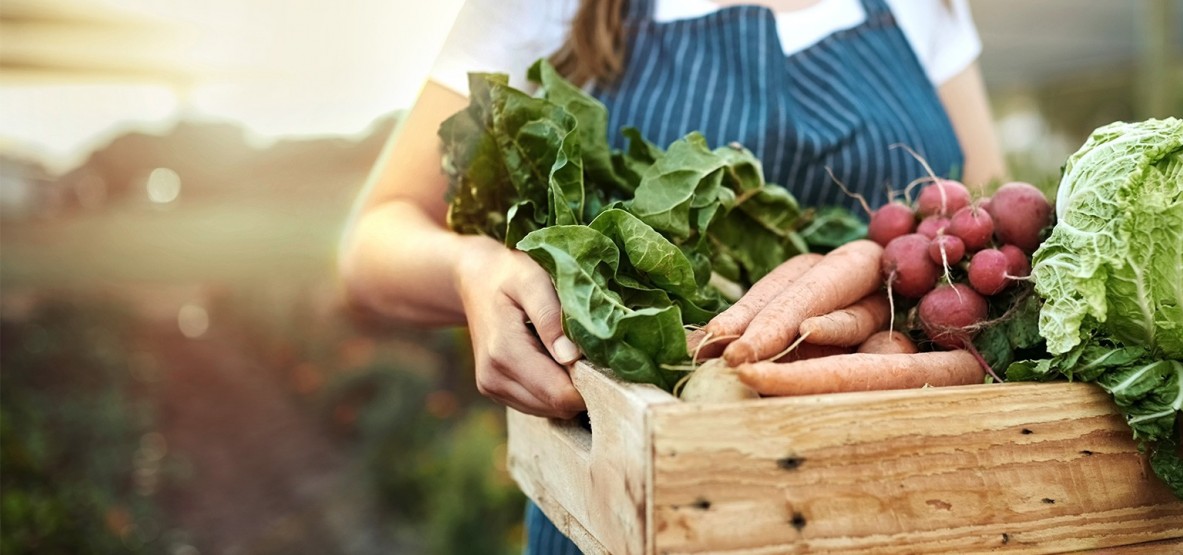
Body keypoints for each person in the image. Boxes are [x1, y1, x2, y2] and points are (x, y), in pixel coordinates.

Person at [338, 0, 1006, 551]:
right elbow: (373, 239)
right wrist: (471, 267)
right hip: (635, 505)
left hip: (904, 499)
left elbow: (985, 225)